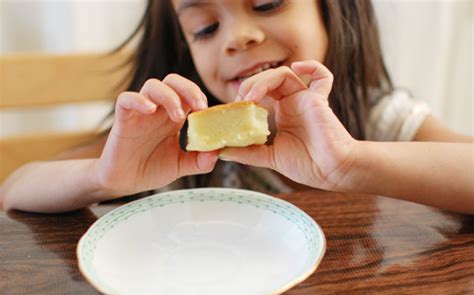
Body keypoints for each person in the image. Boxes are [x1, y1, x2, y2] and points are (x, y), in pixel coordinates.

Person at [0, 0, 472, 214]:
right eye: (206, 28)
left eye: (267, 4)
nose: (237, 36)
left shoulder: (378, 119)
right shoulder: (172, 134)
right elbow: (15, 188)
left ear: (332, 10)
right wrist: (104, 178)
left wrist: (349, 163)